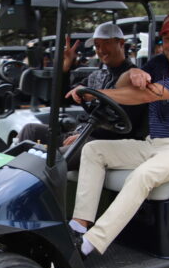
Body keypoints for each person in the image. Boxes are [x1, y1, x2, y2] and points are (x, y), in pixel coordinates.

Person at [67, 13, 169, 256]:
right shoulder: (160, 63)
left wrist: (92, 93)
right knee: (93, 149)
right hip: (155, 144)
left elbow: (147, 95)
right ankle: (78, 225)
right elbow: (125, 83)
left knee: (142, 176)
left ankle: (90, 243)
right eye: (167, 39)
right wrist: (134, 72)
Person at [16, 22, 140, 169]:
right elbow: (63, 98)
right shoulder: (98, 75)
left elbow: (124, 125)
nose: (101, 49)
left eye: (106, 43)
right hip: (82, 134)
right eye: (97, 45)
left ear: (121, 43)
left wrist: (85, 136)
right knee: (30, 131)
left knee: (48, 161)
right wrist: (65, 67)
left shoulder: (134, 77)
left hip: (104, 142)